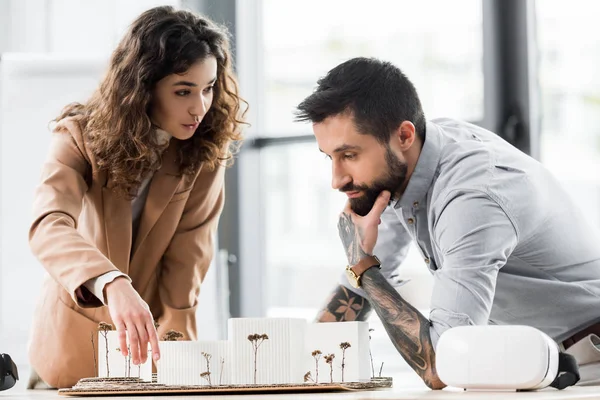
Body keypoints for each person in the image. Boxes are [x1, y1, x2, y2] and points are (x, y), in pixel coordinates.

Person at [295, 57, 600, 388]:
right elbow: (357, 283)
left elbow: (443, 366)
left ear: (404, 136)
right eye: (330, 157)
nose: (336, 180)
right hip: (531, 364)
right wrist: (296, 369)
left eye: (349, 155)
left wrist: (362, 265)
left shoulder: (472, 196)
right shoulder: (405, 168)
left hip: (588, 365)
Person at [27, 6, 245, 389]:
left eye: (208, 88)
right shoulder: (78, 135)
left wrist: (180, 361)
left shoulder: (203, 150)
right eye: (183, 91)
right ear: (143, 86)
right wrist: (111, 282)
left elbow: (188, 259)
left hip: (152, 351)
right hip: (71, 344)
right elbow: (49, 224)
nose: (200, 107)